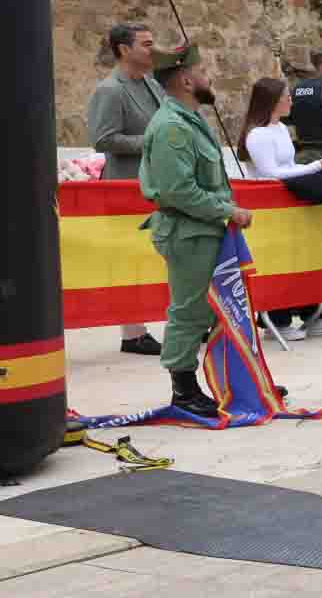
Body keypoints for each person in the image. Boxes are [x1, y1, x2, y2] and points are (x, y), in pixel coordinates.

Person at [137, 40, 252, 417]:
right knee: (190, 312)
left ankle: (233, 382)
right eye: (202, 72)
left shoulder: (191, 119)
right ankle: (183, 390)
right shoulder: (172, 127)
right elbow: (178, 190)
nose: (208, 77)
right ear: (186, 81)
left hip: (205, 229)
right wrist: (228, 210)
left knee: (222, 309)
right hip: (188, 232)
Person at [241, 76, 322, 340]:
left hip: (292, 203)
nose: (291, 101)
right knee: (278, 262)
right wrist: (314, 167)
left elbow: (290, 166)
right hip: (271, 209)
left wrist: (316, 167)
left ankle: (316, 313)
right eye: (286, 97)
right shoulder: (257, 135)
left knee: (304, 257)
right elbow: (271, 173)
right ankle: (277, 321)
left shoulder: (281, 128)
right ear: (273, 101)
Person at [86, 22, 167, 355]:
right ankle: (133, 333)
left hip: (157, 185)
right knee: (131, 259)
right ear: (123, 50)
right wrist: (151, 141)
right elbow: (102, 139)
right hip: (125, 187)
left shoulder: (152, 84)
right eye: (146, 44)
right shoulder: (110, 90)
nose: (153, 49)